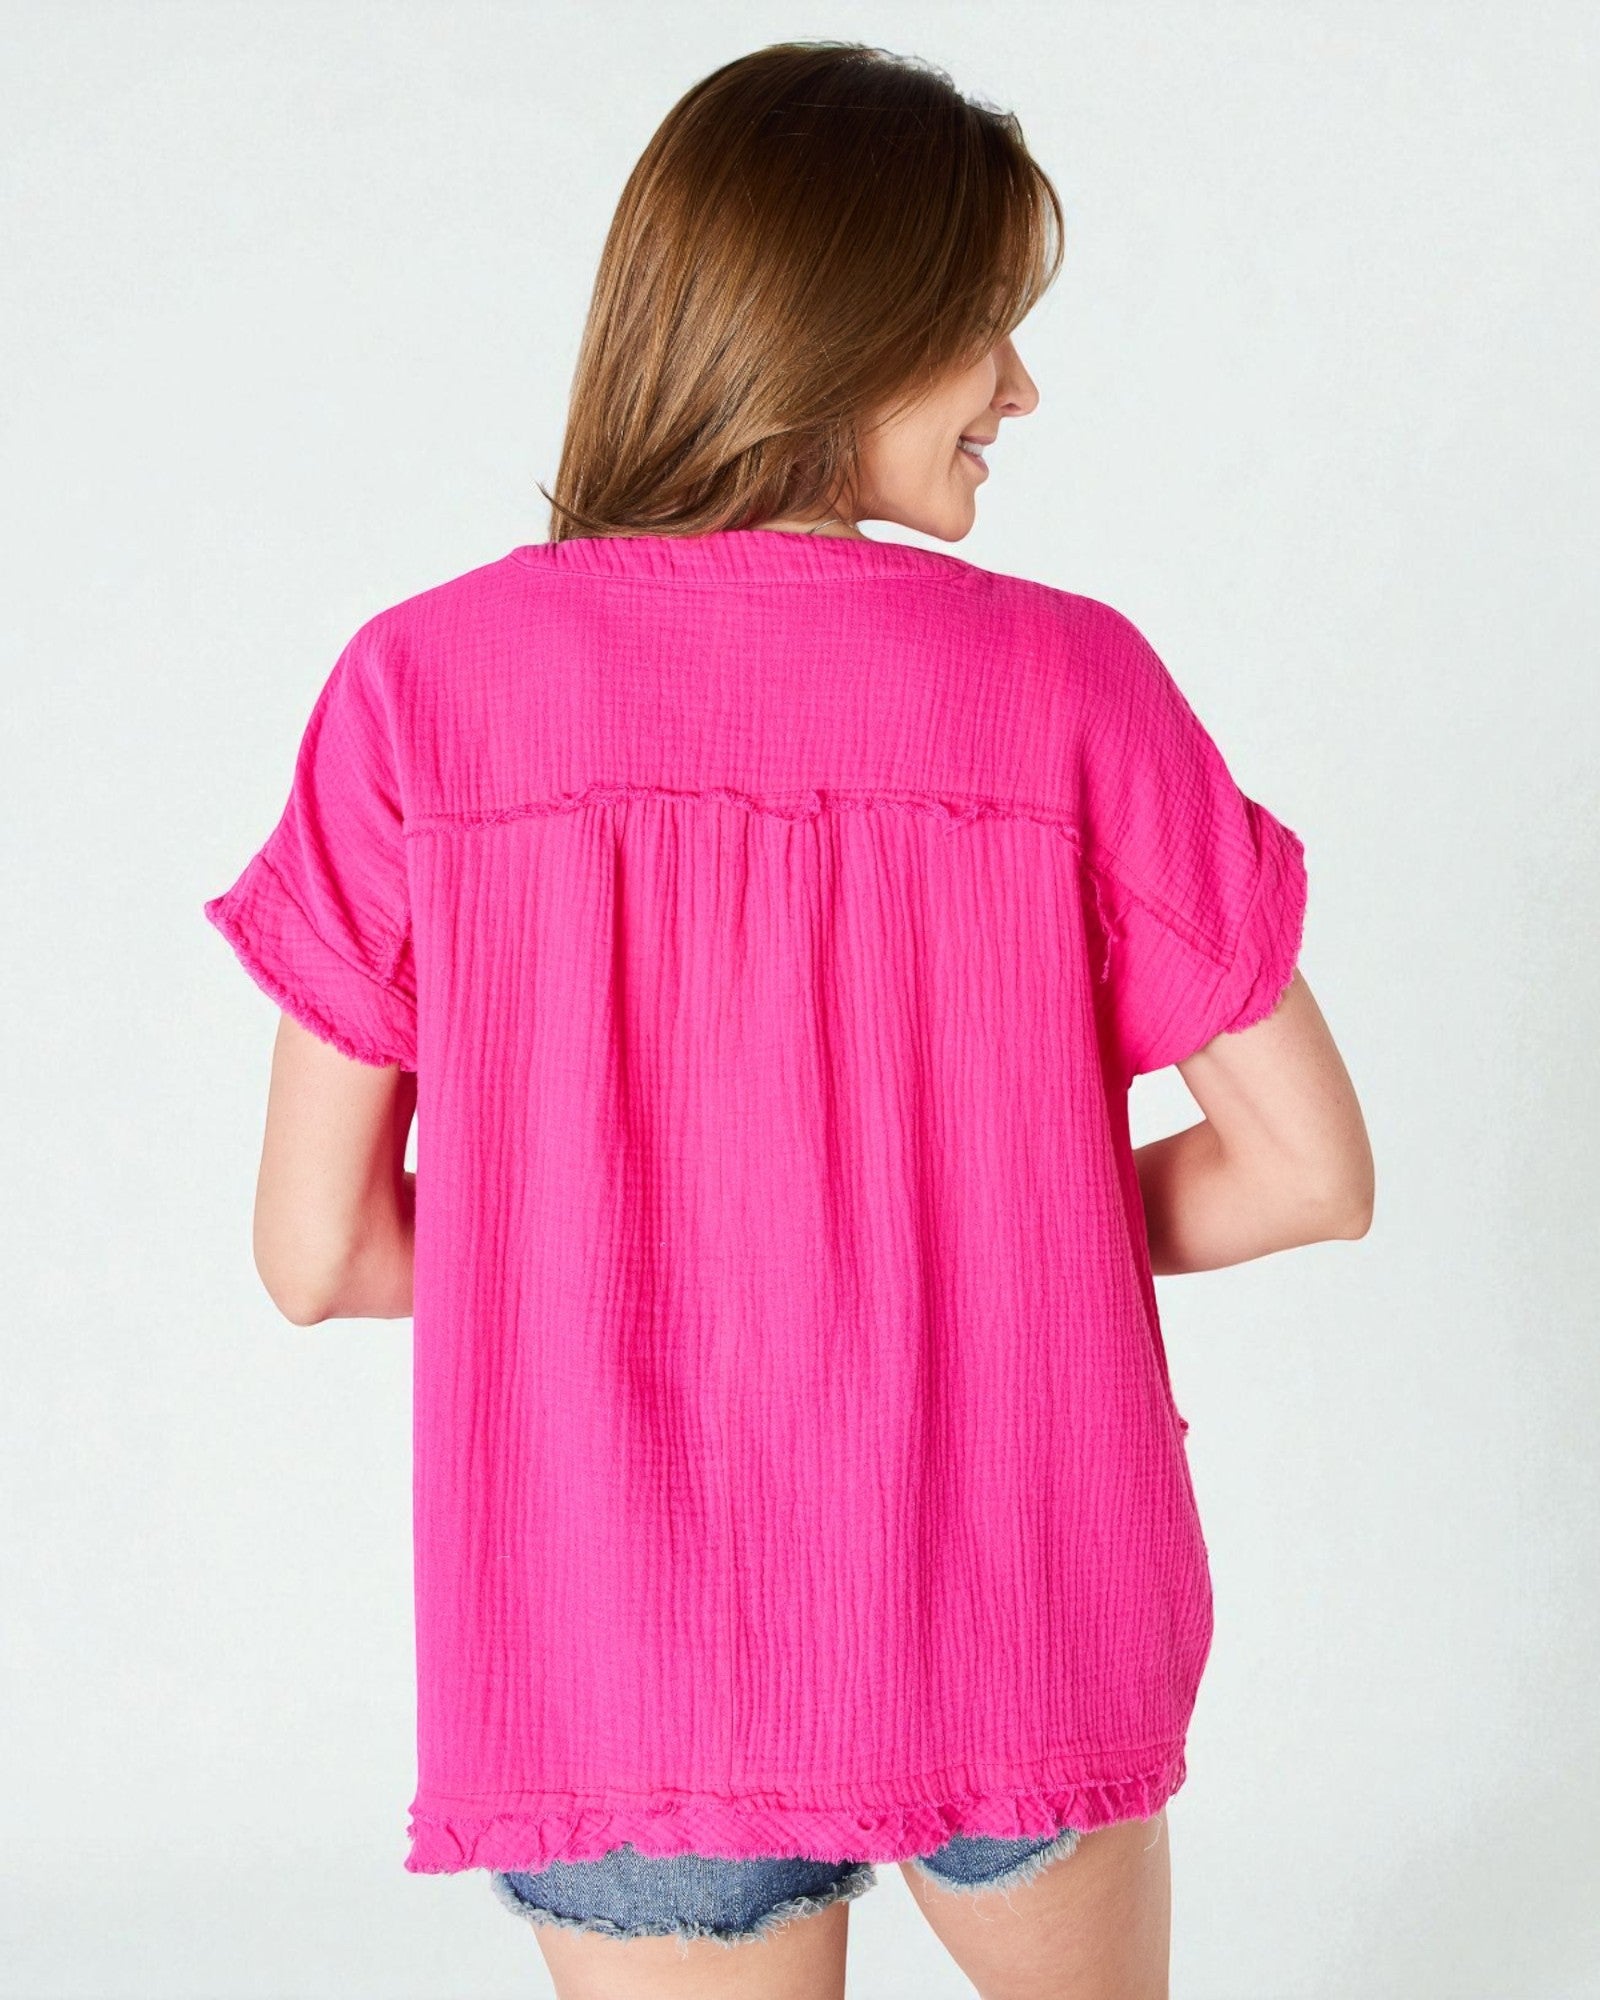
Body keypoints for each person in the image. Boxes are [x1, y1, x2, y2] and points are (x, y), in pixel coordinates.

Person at [202, 38, 1374, 2000]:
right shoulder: (1070, 688)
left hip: (623, 1642)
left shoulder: (423, 691)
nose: (1019, 386)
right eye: (981, 327)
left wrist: (612, 1251)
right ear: (841, 319)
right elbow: (1309, 1172)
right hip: (1013, 1590)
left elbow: (313, 1251)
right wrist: (1003, 1225)